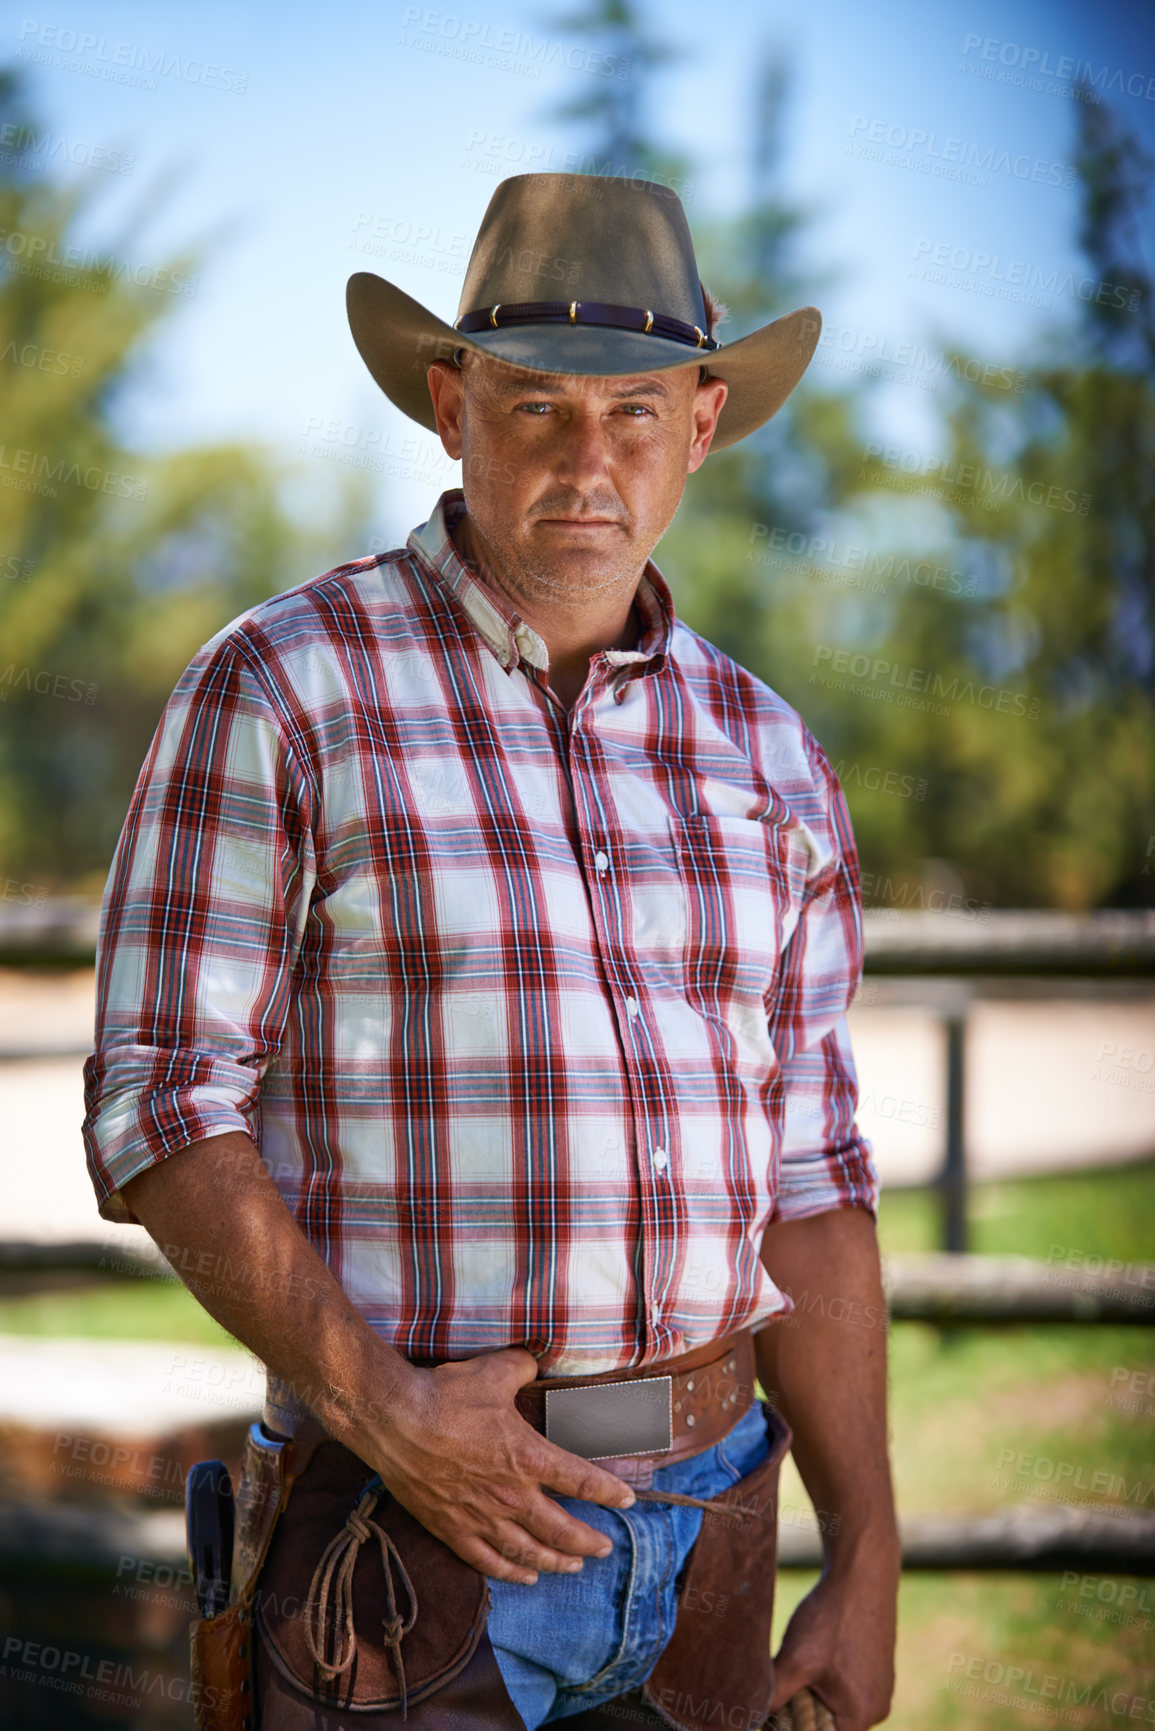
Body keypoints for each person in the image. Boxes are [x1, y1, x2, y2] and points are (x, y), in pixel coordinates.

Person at [83, 173, 899, 1731]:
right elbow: (162, 1100)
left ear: (705, 426)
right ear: (452, 406)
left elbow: (815, 1177)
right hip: (403, 1539)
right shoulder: (279, 687)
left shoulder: (771, 752)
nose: (590, 462)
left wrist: (865, 1544)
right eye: (538, 409)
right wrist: (384, 1412)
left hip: (713, 1542)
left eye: (638, 414)